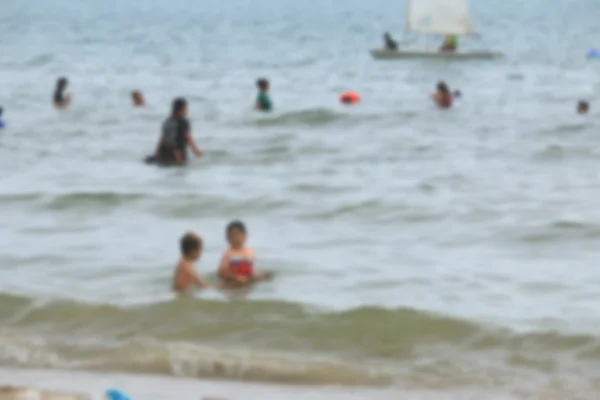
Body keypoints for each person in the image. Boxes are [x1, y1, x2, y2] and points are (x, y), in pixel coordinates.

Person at [218, 220, 272, 286]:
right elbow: (221, 272)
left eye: (237, 235)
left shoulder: (250, 252)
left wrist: (256, 276)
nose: (235, 238)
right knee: (238, 282)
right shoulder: (228, 253)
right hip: (232, 280)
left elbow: (250, 270)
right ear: (227, 238)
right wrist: (235, 277)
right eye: (231, 236)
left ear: (245, 236)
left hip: (246, 278)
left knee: (266, 276)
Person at [151, 97, 203, 165]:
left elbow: (162, 139)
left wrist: (157, 154)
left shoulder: (167, 121)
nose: (187, 110)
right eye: (186, 108)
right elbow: (187, 137)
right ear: (182, 109)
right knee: (179, 172)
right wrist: (196, 151)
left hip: (164, 153)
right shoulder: (183, 121)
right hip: (177, 155)